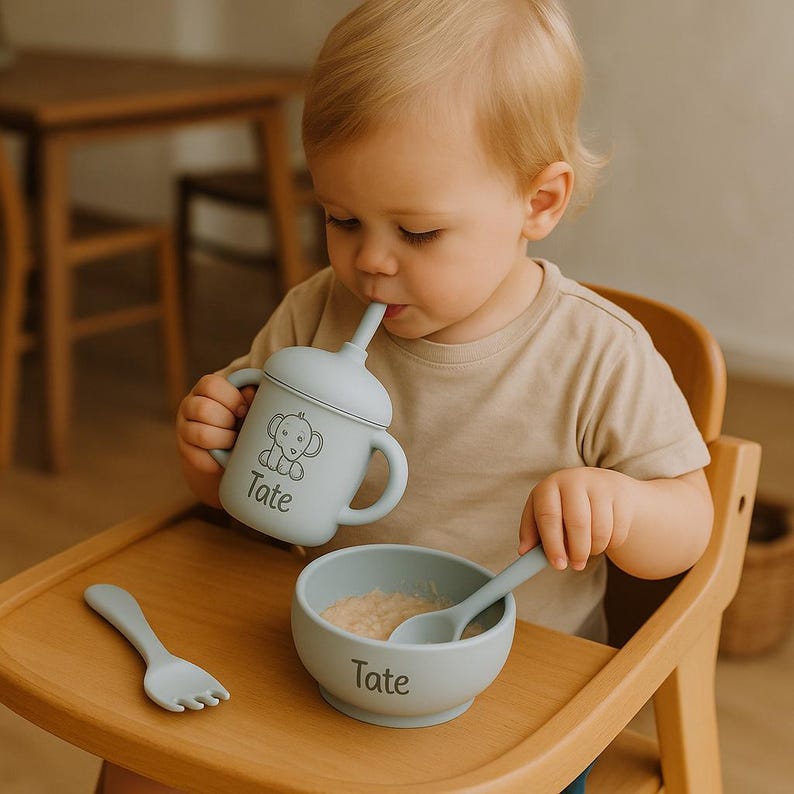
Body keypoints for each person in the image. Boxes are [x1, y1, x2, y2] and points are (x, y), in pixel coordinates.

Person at [100, 1, 713, 791]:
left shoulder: (596, 354)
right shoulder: (316, 312)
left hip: (511, 700)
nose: (370, 263)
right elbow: (241, 499)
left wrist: (624, 510)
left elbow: (694, 524)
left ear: (540, 202)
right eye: (341, 218)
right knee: (136, 760)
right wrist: (211, 453)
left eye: (417, 233)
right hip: (314, 653)